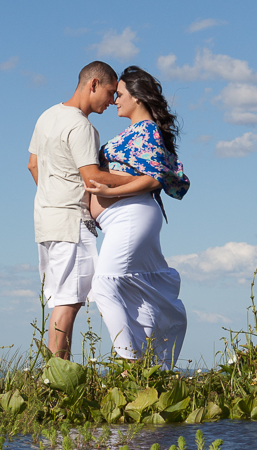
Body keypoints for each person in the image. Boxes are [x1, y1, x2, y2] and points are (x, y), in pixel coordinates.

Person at [84, 66, 190, 369]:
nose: (115, 100)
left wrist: (108, 188)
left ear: (137, 97)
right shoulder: (134, 132)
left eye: (119, 95)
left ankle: (129, 364)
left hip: (133, 215)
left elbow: (154, 179)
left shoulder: (148, 131)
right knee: (139, 291)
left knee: (105, 284)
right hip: (124, 218)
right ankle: (152, 367)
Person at [28, 61, 133, 360]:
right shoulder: (81, 126)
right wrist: (141, 180)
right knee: (68, 302)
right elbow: (92, 177)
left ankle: (55, 374)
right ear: (94, 84)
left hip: (47, 219)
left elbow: (33, 165)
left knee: (62, 299)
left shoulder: (47, 116)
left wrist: (53, 195)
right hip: (71, 222)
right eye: (111, 92)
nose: (112, 101)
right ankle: (57, 378)